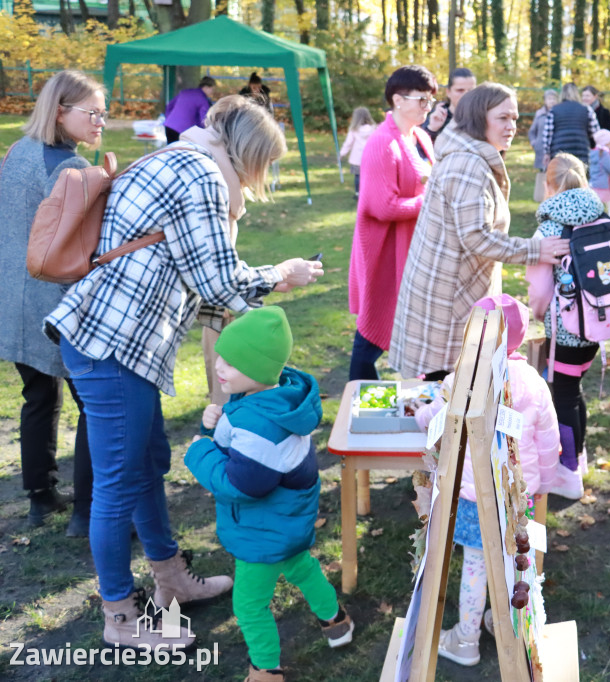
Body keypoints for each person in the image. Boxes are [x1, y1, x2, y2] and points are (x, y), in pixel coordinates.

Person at [44, 95, 323, 650]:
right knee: (118, 483)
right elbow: (218, 281)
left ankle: (171, 579)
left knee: (146, 463)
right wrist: (282, 273)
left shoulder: (174, 159)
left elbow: (191, 277)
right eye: (263, 166)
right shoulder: (200, 175)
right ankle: (120, 617)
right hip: (110, 343)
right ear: (248, 154)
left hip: (116, 342)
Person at [185, 306, 353, 682]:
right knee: (302, 568)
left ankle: (265, 669)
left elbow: (242, 484)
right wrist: (210, 427)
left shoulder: (260, 425)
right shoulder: (274, 400)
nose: (219, 366)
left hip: (262, 531)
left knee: (249, 606)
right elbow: (238, 444)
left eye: (231, 362)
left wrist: (199, 450)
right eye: (221, 357)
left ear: (258, 370)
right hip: (287, 523)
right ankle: (336, 621)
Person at [413, 295, 559, 666]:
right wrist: (543, 483)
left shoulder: (460, 380)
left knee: (477, 564)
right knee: (512, 559)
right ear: (521, 338)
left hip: (471, 496)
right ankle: (506, 621)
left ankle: (466, 639)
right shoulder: (534, 383)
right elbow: (548, 439)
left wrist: (420, 412)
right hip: (515, 497)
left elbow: (433, 423)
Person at [390, 82, 569, 381]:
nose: (512, 126)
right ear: (478, 118)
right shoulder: (468, 164)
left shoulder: (471, 157)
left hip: (452, 291)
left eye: (514, 118)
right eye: (502, 118)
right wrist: (536, 250)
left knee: (451, 391)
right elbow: (475, 236)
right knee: (445, 392)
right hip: (447, 299)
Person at [0, 70, 99, 536]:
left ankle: (41, 498)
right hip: (53, 307)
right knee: (92, 403)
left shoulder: (18, 152)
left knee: (38, 396)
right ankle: (86, 511)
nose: (101, 121)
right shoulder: (72, 170)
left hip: (12, 301)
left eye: (104, 112)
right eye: (92, 113)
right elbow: (79, 252)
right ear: (61, 111)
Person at [526, 153, 607, 500]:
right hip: (597, 323)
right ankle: (580, 459)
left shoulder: (548, 230)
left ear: (549, 185)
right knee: (574, 392)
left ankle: (568, 474)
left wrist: (536, 314)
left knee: (562, 396)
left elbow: (540, 291)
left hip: (565, 331)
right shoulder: (600, 216)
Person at [348, 65, 437, 381]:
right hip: (384, 251)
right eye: (421, 100)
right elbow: (381, 206)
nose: (427, 107)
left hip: (413, 247)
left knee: (413, 324)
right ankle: (356, 402)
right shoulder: (381, 143)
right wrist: (431, 200)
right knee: (373, 329)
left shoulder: (421, 137)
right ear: (398, 100)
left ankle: (421, 394)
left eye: (430, 101)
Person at [542, 83, 601, 170]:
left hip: (559, 152)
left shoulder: (554, 110)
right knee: (579, 179)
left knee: (560, 179)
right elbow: (596, 132)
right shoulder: (587, 109)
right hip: (581, 150)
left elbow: (547, 134)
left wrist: (546, 153)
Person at [422, 67, 476, 142]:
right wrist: (432, 130)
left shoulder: (481, 118)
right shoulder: (436, 118)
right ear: (448, 92)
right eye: (460, 90)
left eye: (471, 91)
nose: (466, 95)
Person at [163, 76, 216, 143]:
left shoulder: (185, 92)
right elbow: (204, 120)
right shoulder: (203, 100)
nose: (212, 92)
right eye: (212, 89)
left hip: (169, 126)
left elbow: (169, 106)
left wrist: (169, 119)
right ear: (206, 87)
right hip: (183, 131)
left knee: (171, 151)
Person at [338, 107, 376, 200]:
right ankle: (370, 193)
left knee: (358, 176)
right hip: (371, 156)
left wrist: (341, 154)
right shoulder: (374, 128)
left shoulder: (354, 130)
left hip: (357, 158)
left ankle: (358, 193)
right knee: (369, 176)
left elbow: (348, 143)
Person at [589, 129, 610, 219]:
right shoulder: (605, 154)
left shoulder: (593, 152)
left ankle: (593, 220)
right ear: (606, 142)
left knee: (594, 205)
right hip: (602, 185)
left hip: (592, 184)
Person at [582, 85, 610, 156]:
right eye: (583, 95)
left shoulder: (604, 112)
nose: (584, 98)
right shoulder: (579, 110)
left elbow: (607, 131)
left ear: (595, 96)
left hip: (597, 149)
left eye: (587, 96)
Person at [528, 89, 559, 173]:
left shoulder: (559, 113)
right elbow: (532, 131)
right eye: (549, 99)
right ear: (545, 100)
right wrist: (534, 143)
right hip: (541, 149)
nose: (552, 101)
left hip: (556, 148)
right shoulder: (539, 113)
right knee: (543, 173)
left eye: (554, 98)